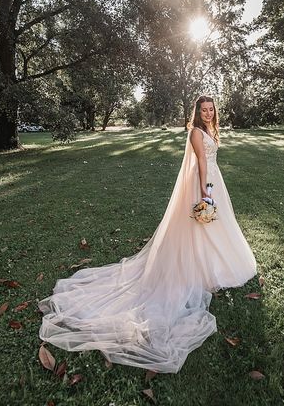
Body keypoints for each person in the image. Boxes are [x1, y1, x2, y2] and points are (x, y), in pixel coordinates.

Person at [38, 95, 257, 374]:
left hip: (213, 180)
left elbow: (209, 161)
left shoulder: (210, 130)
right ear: (197, 112)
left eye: (211, 109)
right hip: (205, 184)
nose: (208, 113)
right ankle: (203, 269)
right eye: (203, 110)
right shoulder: (195, 133)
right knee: (201, 227)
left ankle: (212, 265)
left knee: (214, 228)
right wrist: (207, 193)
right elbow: (201, 163)